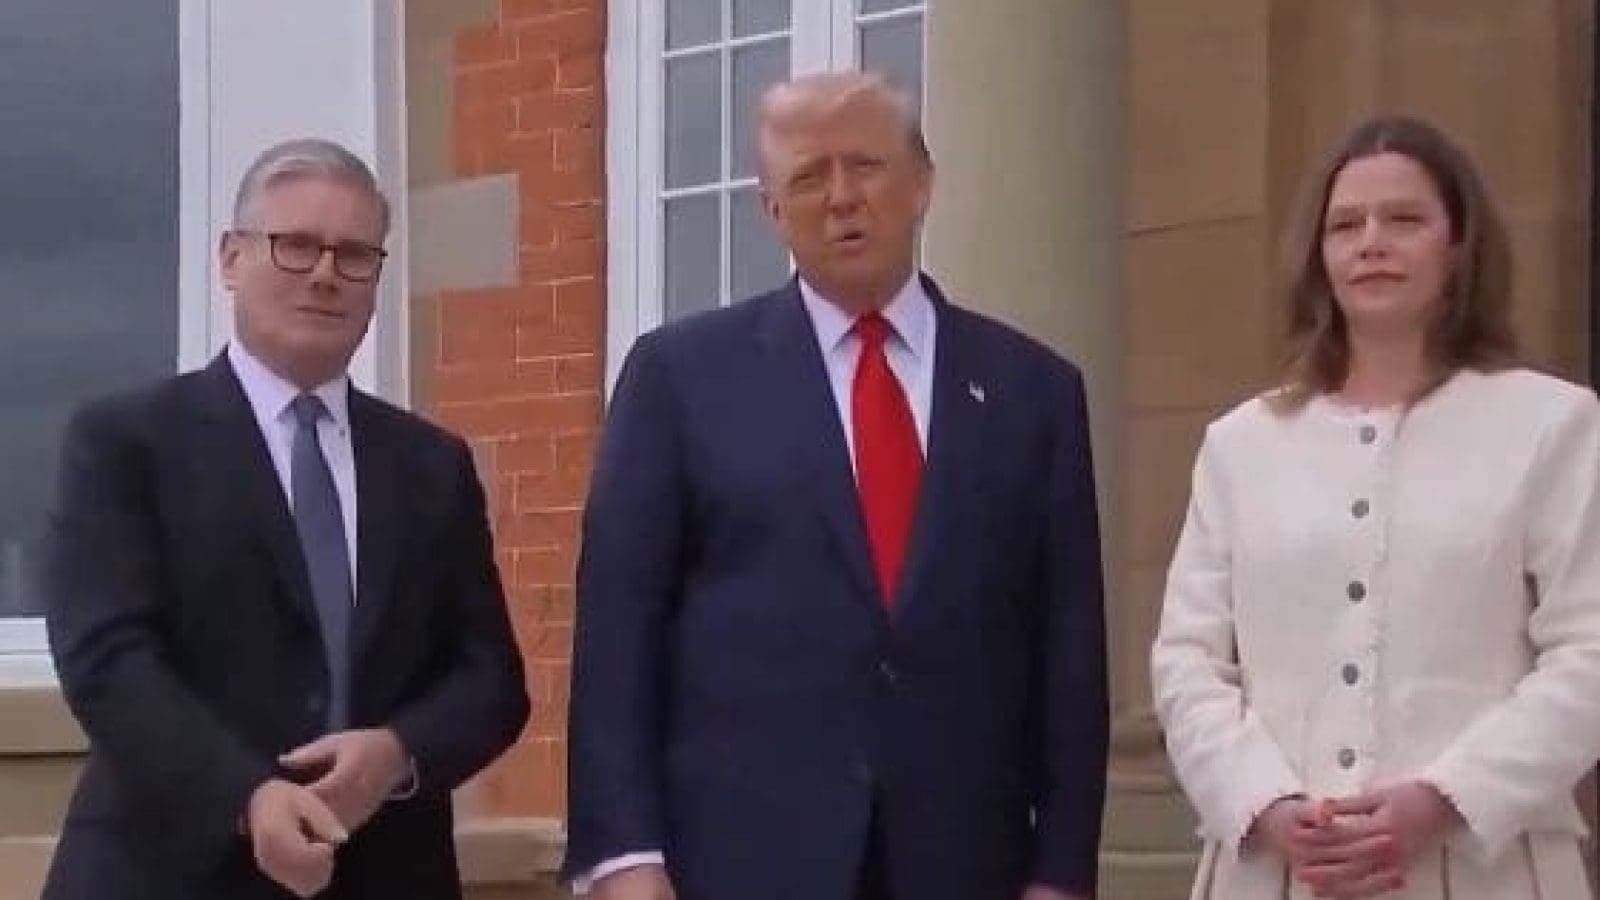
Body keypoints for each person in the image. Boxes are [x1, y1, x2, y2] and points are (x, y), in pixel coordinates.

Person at [562, 72, 1108, 900]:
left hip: (966, 864)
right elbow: (617, 636)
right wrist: (624, 857)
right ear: (772, 210)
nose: (842, 197)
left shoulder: (1034, 391)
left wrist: (1062, 874)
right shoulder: (679, 378)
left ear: (922, 184)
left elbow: (1069, 654)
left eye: (867, 166)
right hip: (739, 864)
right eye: (810, 177)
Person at [42, 138, 530, 899]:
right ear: (231, 258)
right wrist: (247, 797)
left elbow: (489, 679)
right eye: (296, 245)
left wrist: (396, 755)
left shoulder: (432, 465)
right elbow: (108, 658)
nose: (325, 274)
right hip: (169, 873)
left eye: (354, 254)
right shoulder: (126, 442)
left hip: (384, 872)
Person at [1151, 114, 1600, 899]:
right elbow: (1187, 660)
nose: (1372, 243)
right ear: (1319, 256)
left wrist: (1444, 799)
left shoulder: (1551, 425)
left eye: (1404, 220)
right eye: (1346, 225)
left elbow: (1589, 650)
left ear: (1457, 247)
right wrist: (1267, 804)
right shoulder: (1241, 446)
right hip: (1282, 872)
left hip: (1482, 872)